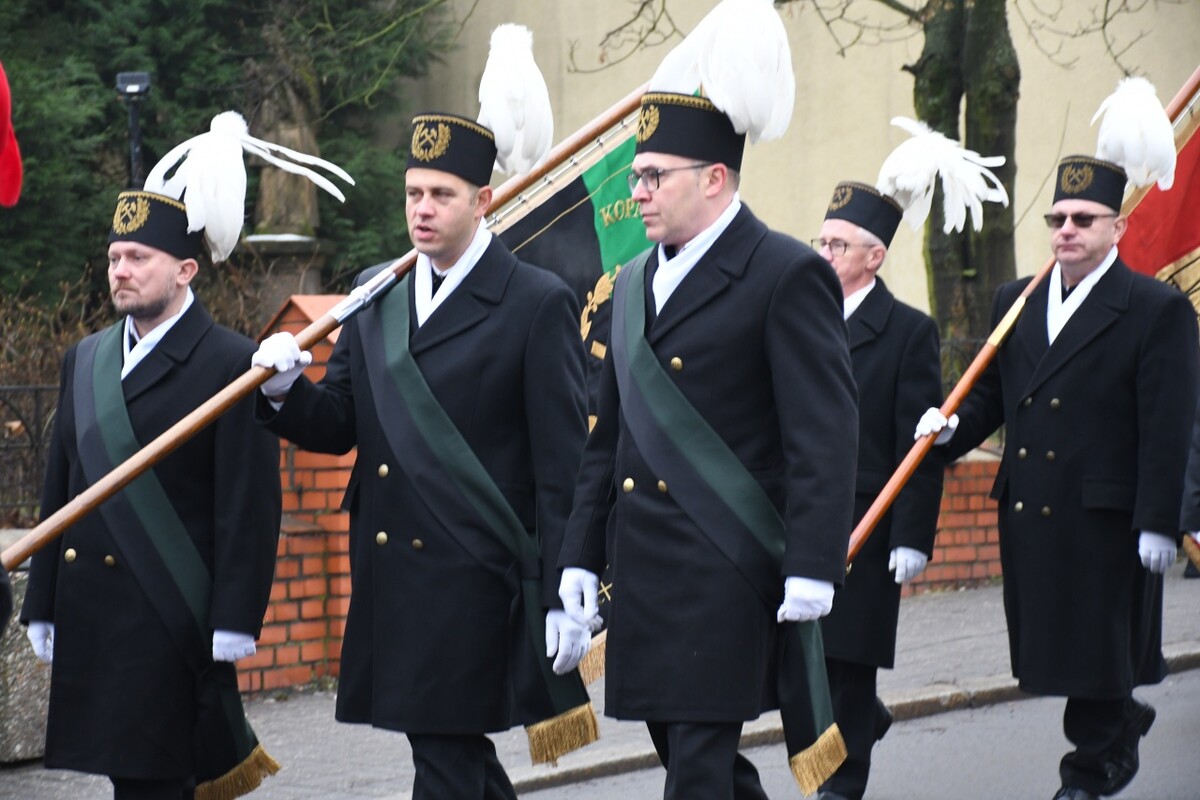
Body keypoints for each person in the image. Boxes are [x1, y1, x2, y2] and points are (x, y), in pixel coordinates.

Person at [250, 25, 595, 800]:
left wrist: (566, 584)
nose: (423, 209)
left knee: (444, 755)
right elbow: (342, 423)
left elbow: (562, 465)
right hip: (391, 570)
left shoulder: (534, 301)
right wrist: (283, 391)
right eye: (413, 194)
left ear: (484, 199)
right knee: (449, 756)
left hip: (479, 570)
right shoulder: (377, 292)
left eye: (442, 195)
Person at [556, 7, 859, 794]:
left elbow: (823, 435)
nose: (638, 192)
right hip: (645, 570)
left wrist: (814, 565)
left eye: (654, 176)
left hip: (728, 565)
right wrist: (580, 555)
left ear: (714, 179)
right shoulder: (630, 284)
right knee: (697, 762)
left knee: (695, 766)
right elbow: (606, 440)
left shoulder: (785, 274)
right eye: (637, 175)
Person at [16, 108, 352, 799]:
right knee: (129, 783)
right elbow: (61, 491)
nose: (121, 271)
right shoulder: (85, 359)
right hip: (96, 613)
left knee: (164, 783)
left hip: (172, 616)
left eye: (139, 259)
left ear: (185, 270)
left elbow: (247, 506)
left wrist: (236, 618)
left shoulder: (230, 361)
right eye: (115, 258)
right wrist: (41, 601)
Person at [916, 78, 1196, 800]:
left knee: (1097, 647)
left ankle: (1090, 770)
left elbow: (1168, 423)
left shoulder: (1153, 309)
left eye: (1083, 219)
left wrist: (1160, 520)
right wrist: (950, 428)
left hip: (1107, 513)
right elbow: (992, 396)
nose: (1067, 230)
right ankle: (1121, 720)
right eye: (1058, 218)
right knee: (1060, 649)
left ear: (1116, 228)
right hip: (1034, 505)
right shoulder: (1016, 301)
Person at [812, 183, 944, 800]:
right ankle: (864, 721)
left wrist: (912, 535)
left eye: (838, 245)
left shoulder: (907, 332)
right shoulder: (798, 316)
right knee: (799, 661)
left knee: (846, 662)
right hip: (797, 515)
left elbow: (918, 442)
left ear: (875, 257)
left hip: (864, 521)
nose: (824, 254)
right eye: (821, 241)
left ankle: (841, 787)